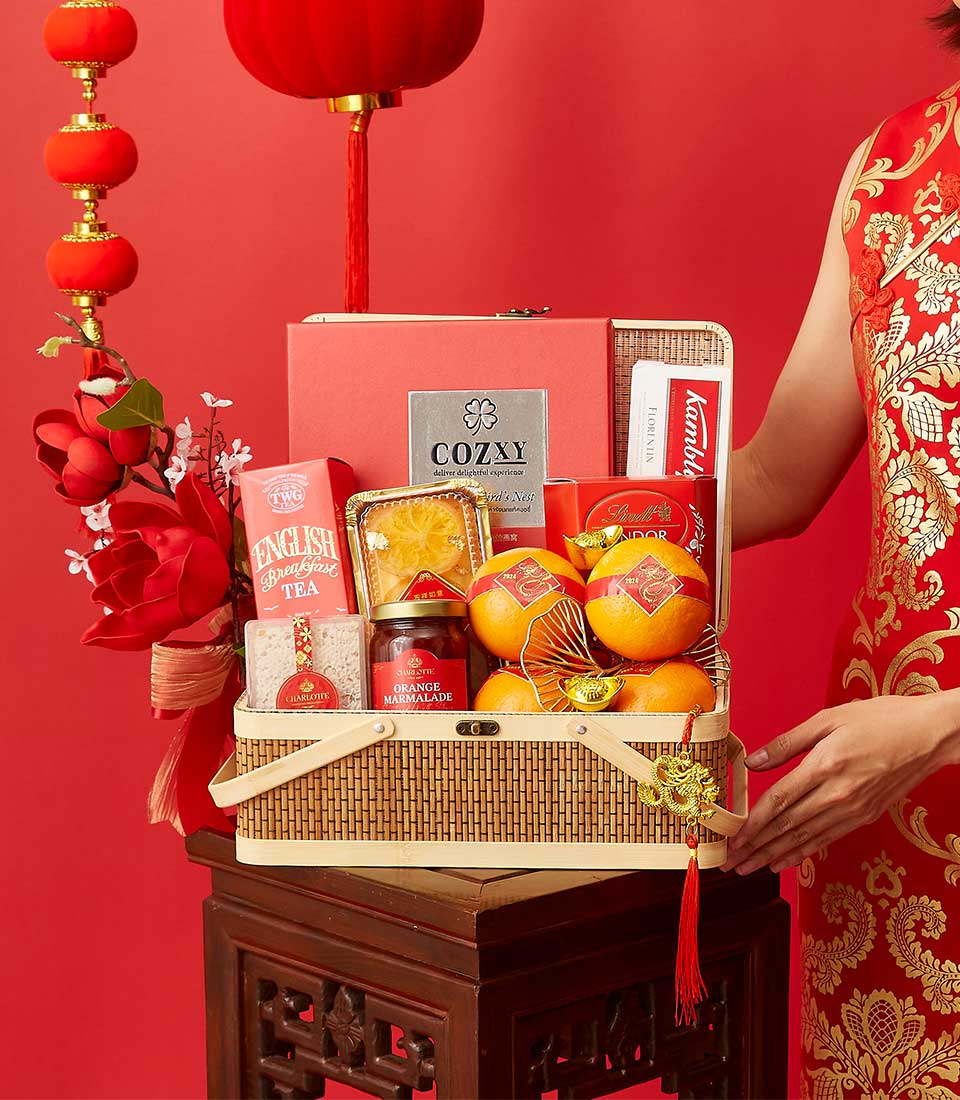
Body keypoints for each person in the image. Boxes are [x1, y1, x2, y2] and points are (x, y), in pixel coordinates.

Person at [723, 5, 960, 1095]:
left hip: (908, 743)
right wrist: (534, 513)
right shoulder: (890, 170)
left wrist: (942, 725)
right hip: (877, 804)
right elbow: (777, 474)